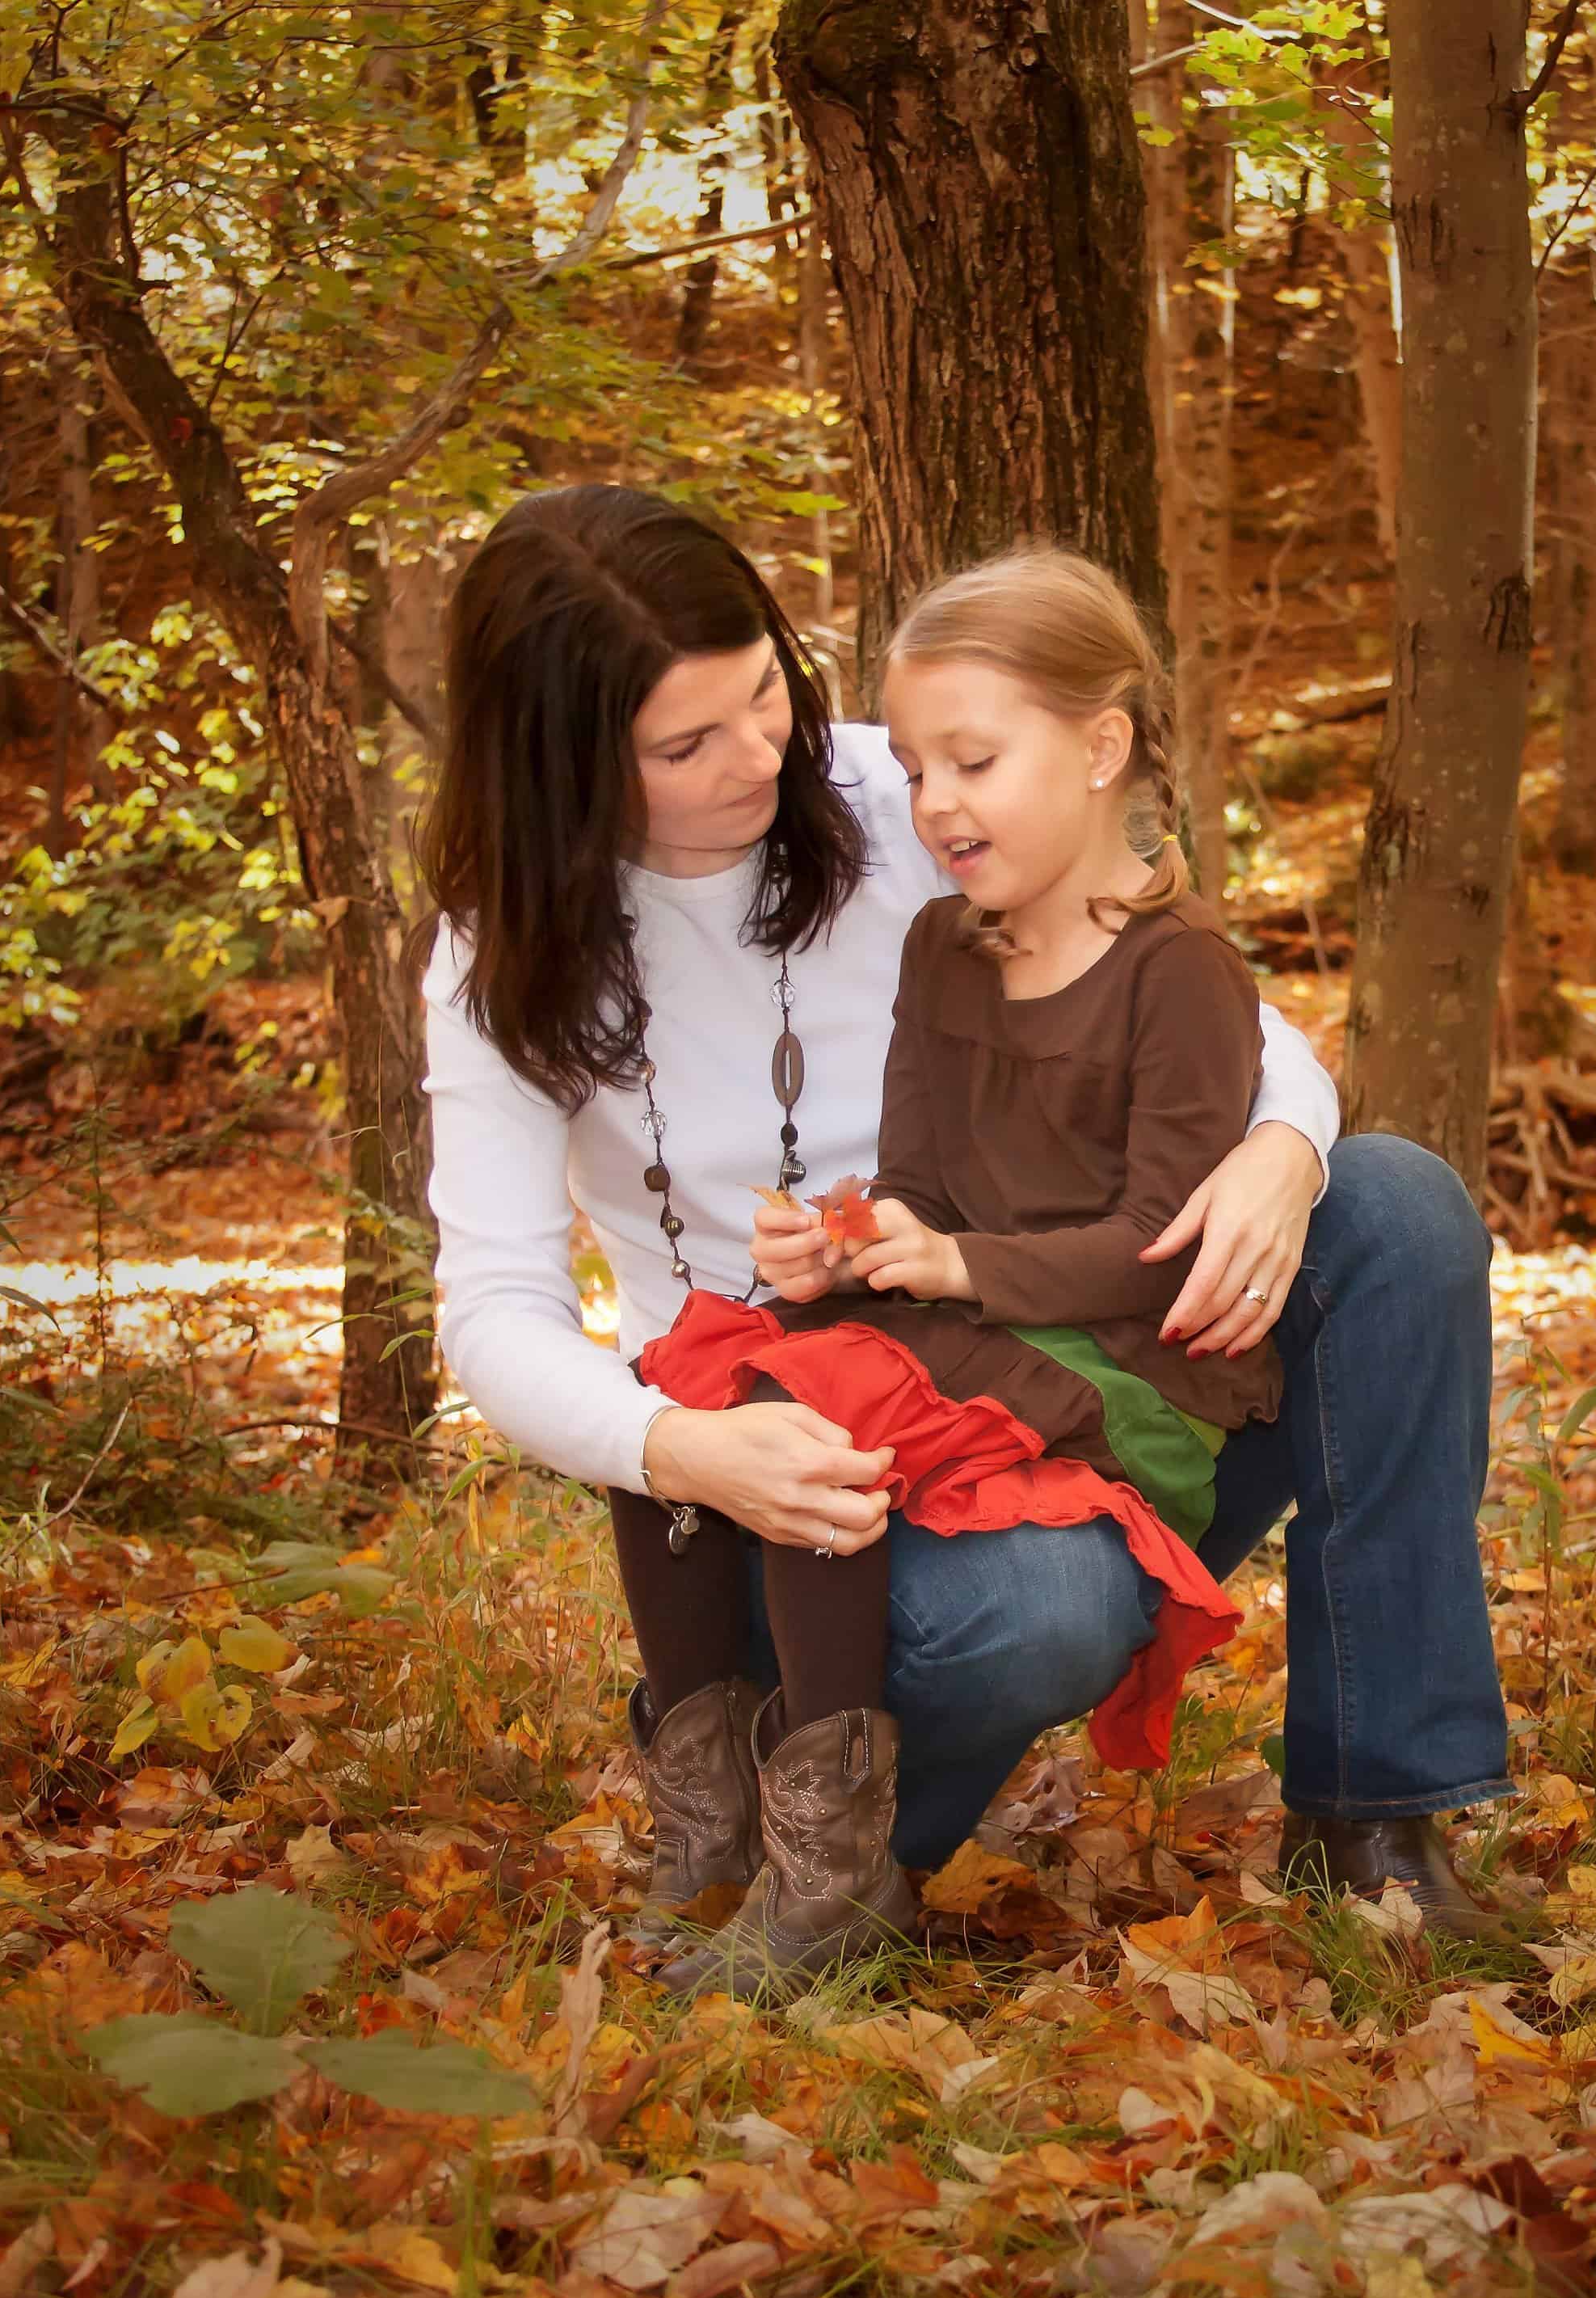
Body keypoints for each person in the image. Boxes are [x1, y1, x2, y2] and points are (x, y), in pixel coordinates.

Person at [418, 484, 1512, 1963]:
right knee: (1031, 1615)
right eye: (686, 746)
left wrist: (1279, 1147)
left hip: (1040, 1347)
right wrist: (677, 1447)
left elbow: (1206, 1007)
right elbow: (489, 1304)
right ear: (563, 769)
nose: (761, 760)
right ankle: (808, 1824)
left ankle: (1374, 1816)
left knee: (1392, 1209)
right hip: (800, 1462)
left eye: (766, 696)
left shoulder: (906, 790)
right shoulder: (507, 954)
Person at [634, 549, 1280, 1997]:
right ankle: (708, 1835)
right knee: (701, 1381)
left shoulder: (1180, 974)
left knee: (824, 1399)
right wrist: (851, 1236)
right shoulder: (944, 946)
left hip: (1121, 1370)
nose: (931, 805)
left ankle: (831, 1869)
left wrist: (949, 1264)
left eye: (972, 761)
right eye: (917, 767)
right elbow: (918, 1177)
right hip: (970, 1313)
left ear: (1102, 745)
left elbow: (1157, 1247)